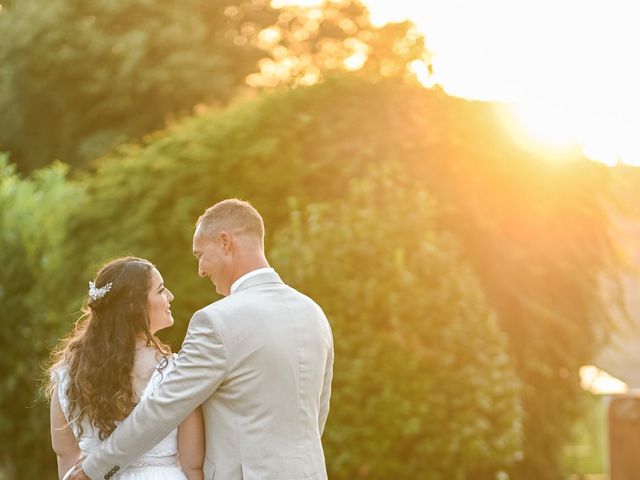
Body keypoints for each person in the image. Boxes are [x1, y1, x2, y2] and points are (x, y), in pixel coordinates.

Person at [68, 198, 334, 480]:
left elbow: (164, 407)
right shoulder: (314, 313)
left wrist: (93, 469)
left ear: (225, 242)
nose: (201, 270)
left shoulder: (216, 322)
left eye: (200, 255)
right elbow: (318, 412)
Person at [47, 257, 205, 480]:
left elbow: (66, 458)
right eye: (160, 290)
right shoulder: (176, 372)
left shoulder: (67, 375)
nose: (170, 296)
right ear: (134, 306)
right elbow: (193, 464)